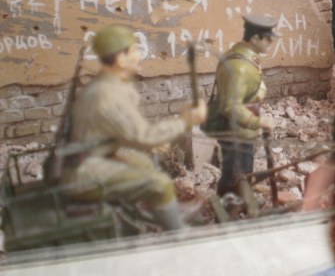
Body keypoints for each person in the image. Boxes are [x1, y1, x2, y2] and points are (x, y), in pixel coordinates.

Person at [63, 24, 206, 230]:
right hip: (84, 171)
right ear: (120, 59)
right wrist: (185, 121)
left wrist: (150, 143)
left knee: (144, 163)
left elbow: (122, 131)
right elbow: (143, 136)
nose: (140, 55)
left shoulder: (108, 86)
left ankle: (154, 211)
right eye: (134, 50)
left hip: (94, 155)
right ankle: (178, 233)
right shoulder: (107, 95)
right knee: (160, 183)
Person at [205, 14, 279, 198]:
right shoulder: (240, 67)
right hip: (236, 130)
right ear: (255, 39)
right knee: (235, 175)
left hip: (241, 128)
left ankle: (241, 200)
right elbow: (229, 107)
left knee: (241, 172)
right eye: (268, 39)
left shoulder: (242, 56)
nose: (271, 43)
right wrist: (259, 122)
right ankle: (228, 207)